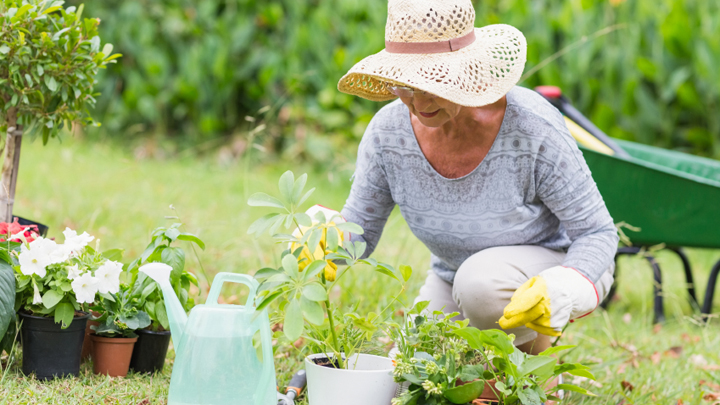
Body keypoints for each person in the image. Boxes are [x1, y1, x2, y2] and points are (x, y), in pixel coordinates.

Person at [333, 0, 618, 354]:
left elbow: (598, 233)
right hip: (452, 279)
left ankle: (537, 365)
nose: (418, 101)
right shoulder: (388, 134)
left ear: (466, 70)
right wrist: (322, 239)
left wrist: (565, 285)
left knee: (480, 286)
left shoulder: (530, 127)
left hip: (558, 267)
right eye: (405, 83)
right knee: (406, 377)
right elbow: (358, 235)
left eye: (432, 82)